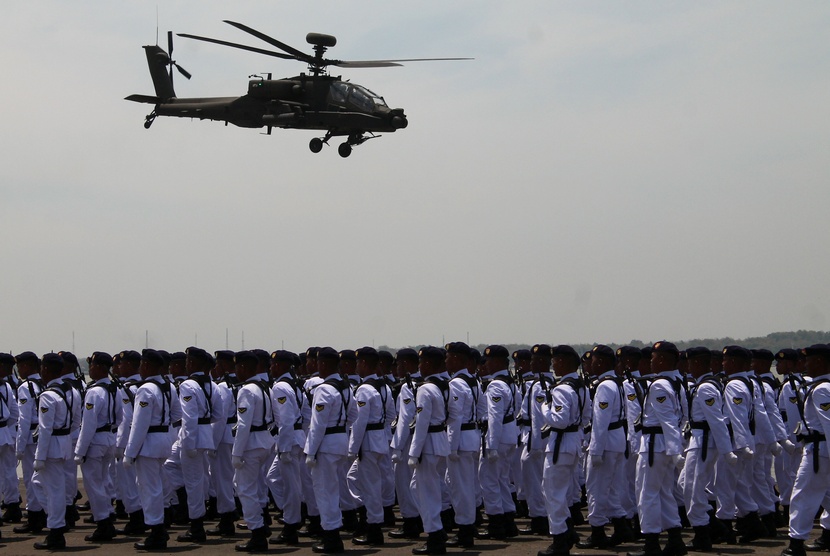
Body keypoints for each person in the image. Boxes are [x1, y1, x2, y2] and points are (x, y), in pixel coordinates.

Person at [627, 341, 686, 556]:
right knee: (664, 493)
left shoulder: (659, 385)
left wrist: (675, 450)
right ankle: (675, 539)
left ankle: (651, 543)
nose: (650, 362)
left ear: (661, 359)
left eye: (653, 357)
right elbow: (682, 418)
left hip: (655, 445)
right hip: (663, 446)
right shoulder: (677, 380)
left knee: (647, 493)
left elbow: (668, 421)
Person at [682, 347, 737, 551]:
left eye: (689, 363)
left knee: (692, 488)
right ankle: (715, 526)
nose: (687, 367)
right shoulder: (704, 385)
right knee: (686, 485)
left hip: (703, 443)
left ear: (697, 364)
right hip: (698, 441)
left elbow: (717, 422)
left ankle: (702, 535)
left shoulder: (706, 388)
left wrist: (726, 451)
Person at [124, 349, 178, 551]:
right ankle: (159, 526)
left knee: (149, 489)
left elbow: (139, 425)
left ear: (146, 365)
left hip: (149, 445)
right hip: (163, 440)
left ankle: (156, 532)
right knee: (158, 487)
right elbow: (177, 414)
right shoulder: (168, 386)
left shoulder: (146, 389)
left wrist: (130, 453)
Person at [304, 346, 356, 554]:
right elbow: (354, 415)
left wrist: (310, 451)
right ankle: (332, 533)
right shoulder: (345, 387)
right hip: (340, 441)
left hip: (325, 445)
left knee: (325, 492)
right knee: (333, 489)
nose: (316, 367)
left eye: (318, 363)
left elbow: (317, 425)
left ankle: (331, 537)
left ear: (324, 364)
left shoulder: (325, 389)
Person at [538, 345, 589, 556]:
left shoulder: (561, 389)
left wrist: (544, 407)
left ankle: (559, 540)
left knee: (553, 493)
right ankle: (567, 530)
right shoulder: (580, 386)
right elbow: (586, 417)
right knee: (562, 492)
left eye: (556, 361)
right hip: (573, 442)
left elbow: (559, 421)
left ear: (566, 362)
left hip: (560, 444)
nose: (553, 364)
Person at [781, 344, 830, 556]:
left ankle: (796, 544)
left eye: (808, 361)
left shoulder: (822, 389)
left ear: (819, 361)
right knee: (826, 495)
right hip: (819, 449)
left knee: (802, 496)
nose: (805, 365)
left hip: (819, 453)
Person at [579, 344, 629, 549]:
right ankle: (621, 527)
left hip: (606, 442)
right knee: (612, 489)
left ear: (600, 362)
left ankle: (598, 531)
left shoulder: (604, 386)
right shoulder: (617, 383)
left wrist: (596, 450)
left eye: (592, 361)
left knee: (596, 489)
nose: (589, 365)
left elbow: (600, 421)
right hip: (616, 440)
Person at [175, 346, 224, 543]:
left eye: (187, 362)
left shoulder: (188, 385)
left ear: (193, 363)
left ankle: (196, 526)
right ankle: (197, 519)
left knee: (193, 483)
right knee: (200, 480)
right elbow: (218, 415)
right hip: (205, 435)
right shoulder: (213, 384)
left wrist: (188, 443)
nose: (185, 365)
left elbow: (189, 418)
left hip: (193, 438)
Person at [347, 347, 393, 546]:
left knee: (371, 486)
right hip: (379, 439)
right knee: (357, 479)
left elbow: (359, 422)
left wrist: (352, 448)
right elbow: (391, 415)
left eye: (358, 363)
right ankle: (367, 517)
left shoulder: (365, 389)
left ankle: (374, 528)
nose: (356, 366)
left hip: (368, 442)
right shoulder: (384, 386)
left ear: (364, 363)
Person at [231, 350, 276, 552]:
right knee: (256, 487)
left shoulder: (247, 390)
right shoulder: (265, 387)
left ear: (243, 368)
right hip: (264, 441)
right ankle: (261, 523)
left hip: (251, 444)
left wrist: (236, 453)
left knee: (245, 489)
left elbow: (243, 425)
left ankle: (257, 532)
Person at [409, 346, 451, 555]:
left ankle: (435, 535)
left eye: (421, 362)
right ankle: (437, 529)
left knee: (427, 491)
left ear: (427, 364)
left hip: (429, 444)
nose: (419, 367)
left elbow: (421, 422)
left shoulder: (426, 388)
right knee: (419, 486)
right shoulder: (444, 385)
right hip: (440, 441)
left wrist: (414, 452)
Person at [75, 351, 121, 542]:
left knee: (94, 485)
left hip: (95, 442)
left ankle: (103, 523)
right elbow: (120, 417)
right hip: (109, 439)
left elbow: (88, 425)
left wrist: (80, 451)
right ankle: (108, 514)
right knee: (103, 481)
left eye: (93, 365)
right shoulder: (114, 389)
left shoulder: (94, 392)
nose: (90, 369)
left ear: (101, 368)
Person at [478, 344, 521, 540]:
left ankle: (496, 522)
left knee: (489, 480)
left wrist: (491, 446)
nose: (485, 364)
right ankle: (508, 521)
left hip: (499, 438)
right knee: (503, 479)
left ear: (495, 362)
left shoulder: (495, 385)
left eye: (487, 361)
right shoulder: (510, 382)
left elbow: (494, 417)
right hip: (510, 435)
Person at [444, 341, 484, 548]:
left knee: (461, 489)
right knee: (467, 486)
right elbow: (483, 410)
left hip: (460, 441)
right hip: (471, 437)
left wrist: (450, 447)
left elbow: (455, 417)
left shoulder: (456, 383)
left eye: (449, 357)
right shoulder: (473, 380)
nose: (446, 361)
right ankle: (467, 527)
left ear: (457, 359)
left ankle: (465, 531)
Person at [32, 352, 72, 550]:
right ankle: (57, 522)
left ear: (46, 369)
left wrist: (39, 456)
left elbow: (45, 429)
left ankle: (56, 531)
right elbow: (75, 421)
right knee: (39, 483)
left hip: (52, 447)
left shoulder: (48, 395)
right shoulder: (67, 389)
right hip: (62, 444)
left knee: (54, 491)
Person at [267, 349, 307, 545]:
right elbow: (306, 414)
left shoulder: (281, 387)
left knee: (291, 485)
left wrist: (283, 447)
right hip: (295, 438)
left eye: (275, 364)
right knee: (274, 478)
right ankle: (294, 514)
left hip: (289, 441)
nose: (271, 368)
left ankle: (291, 526)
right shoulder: (295, 384)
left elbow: (286, 419)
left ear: (284, 366)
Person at [14, 352, 46, 535]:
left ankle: (35, 517)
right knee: (42, 478)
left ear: (27, 366)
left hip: (30, 438)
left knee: (30, 479)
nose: (19, 369)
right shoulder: (44, 383)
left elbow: (24, 419)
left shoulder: (26, 387)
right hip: (42, 435)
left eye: (20, 366)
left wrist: (19, 447)